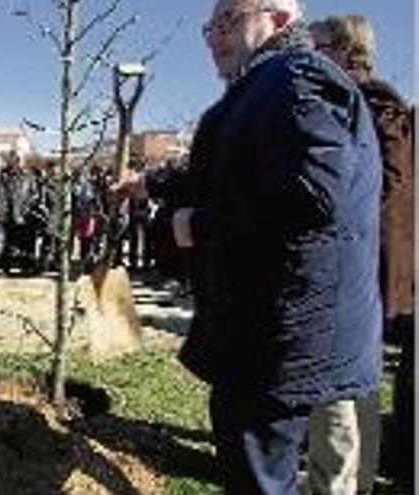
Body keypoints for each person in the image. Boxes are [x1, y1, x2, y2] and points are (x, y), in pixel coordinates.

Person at [116, 1, 382, 493]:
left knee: (259, 478)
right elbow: (233, 172)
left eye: (228, 21)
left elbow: (319, 191)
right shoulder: (269, 83)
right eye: (209, 27)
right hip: (274, 332)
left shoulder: (297, 77)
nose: (214, 37)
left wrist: (199, 224)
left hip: (282, 337)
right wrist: (150, 186)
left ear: (278, 19)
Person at [309, 15, 414, 495]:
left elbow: (386, 192)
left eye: (319, 46)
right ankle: (353, 479)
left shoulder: (372, 103)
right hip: (356, 270)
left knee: (343, 390)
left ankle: (342, 482)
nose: (309, 56)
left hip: (358, 272)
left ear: (349, 51)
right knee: (355, 386)